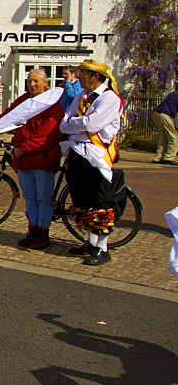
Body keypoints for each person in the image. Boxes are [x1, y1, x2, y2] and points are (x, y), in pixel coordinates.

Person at [60, 59, 124, 266]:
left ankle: (102, 248)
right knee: (81, 200)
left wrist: (76, 124)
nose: (79, 77)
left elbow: (93, 124)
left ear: (95, 77)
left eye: (83, 74)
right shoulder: (81, 96)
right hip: (77, 152)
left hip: (97, 154)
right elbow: (64, 125)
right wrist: (79, 124)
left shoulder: (109, 99)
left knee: (99, 201)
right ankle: (90, 241)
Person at [0, 68, 64, 250]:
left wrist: (24, 149)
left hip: (42, 159)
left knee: (43, 197)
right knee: (29, 197)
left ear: (46, 83)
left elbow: (46, 136)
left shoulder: (53, 105)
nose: (32, 84)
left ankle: (43, 232)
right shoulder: (25, 100)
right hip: (24, 159)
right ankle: (32, 229)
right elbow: (9, 114)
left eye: (36, 81)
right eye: (30, 81)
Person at [152, 87, 178, 165]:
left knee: (164, 137)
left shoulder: (173, 94)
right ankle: (168, 158)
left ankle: (158, 158)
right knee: (173, 137)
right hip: (164, 115)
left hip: (157, 114)